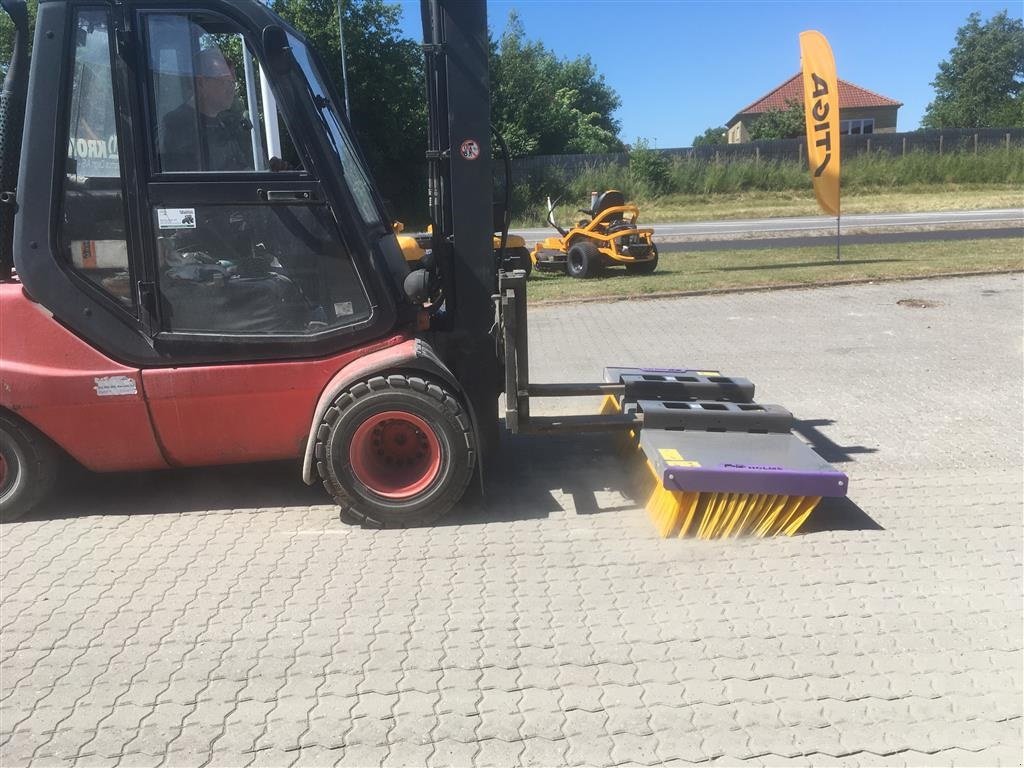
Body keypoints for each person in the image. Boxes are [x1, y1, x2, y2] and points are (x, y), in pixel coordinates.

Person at [158, 46, 254, 172]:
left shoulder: (223, 125)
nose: (232, 89)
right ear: (201, 83)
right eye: (225, 81)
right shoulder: (174, 126)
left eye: (233, 82)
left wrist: (271, 172)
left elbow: (240, 170)